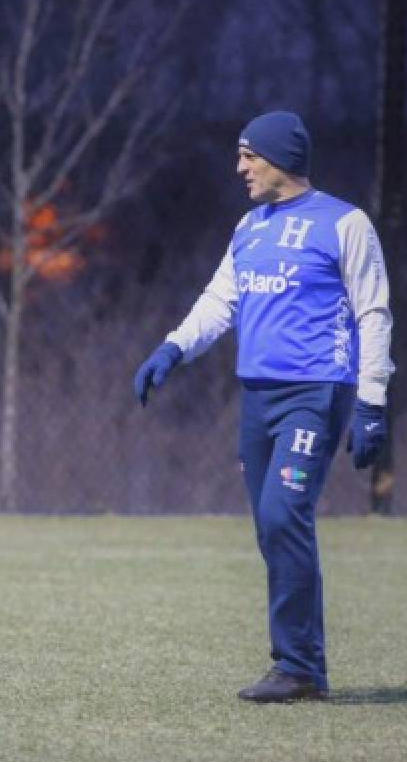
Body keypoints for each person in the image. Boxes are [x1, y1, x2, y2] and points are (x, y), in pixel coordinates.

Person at [133, 111, 393, 702]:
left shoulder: (345, 222)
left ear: (280, 158)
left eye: (250, 155)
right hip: (256, 398)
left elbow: (373, 312)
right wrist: (172, 348)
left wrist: (372, 402)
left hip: (315, 394)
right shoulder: (250, 227)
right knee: (272, 529)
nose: (240, 166)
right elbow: (221, 300)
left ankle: (299, 667)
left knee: (283, 514)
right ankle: (301, 669)